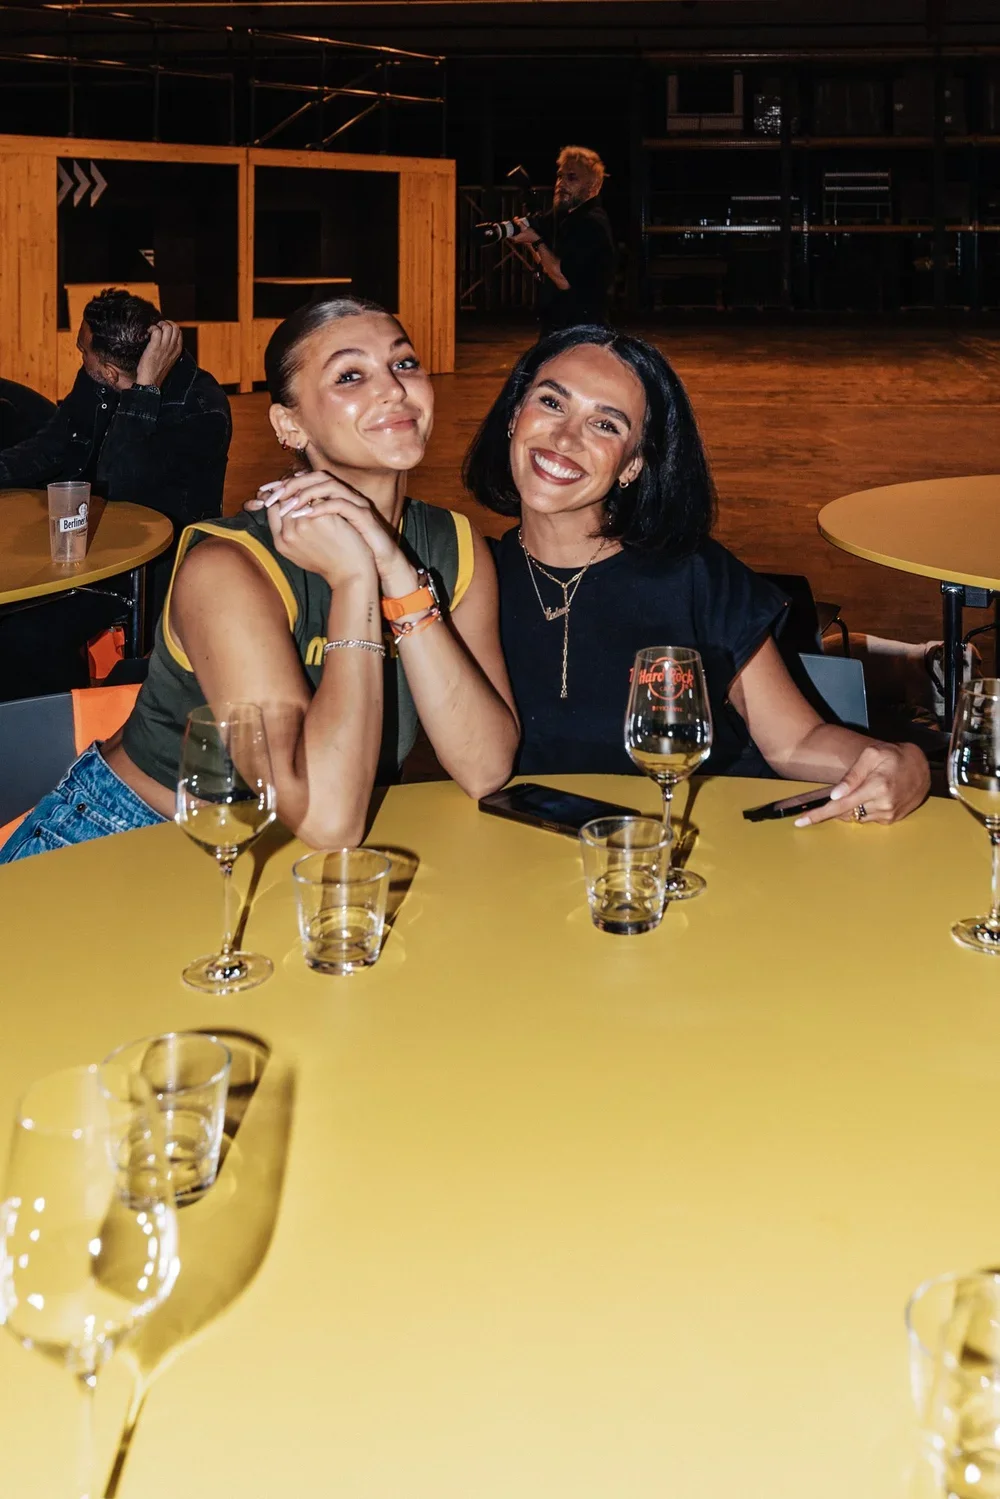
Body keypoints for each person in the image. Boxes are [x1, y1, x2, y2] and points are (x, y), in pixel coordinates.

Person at [0, 298, 518, 864]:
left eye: (404, 364)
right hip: (126, 842)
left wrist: (394, 570)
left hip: (289, 863)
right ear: (288, 424)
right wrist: (353, 582)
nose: (394, 391)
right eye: (350, 375)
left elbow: (485, 765)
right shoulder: (227, 569)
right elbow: (327, 814)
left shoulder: (453, 546)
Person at [463, 325, 930, 827]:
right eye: (552, 403)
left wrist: (902, 763)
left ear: (633, 465)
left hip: (702, 843)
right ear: (515, 416)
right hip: (531, 858)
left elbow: (794, 741)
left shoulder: (692, 574)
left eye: (606, 425)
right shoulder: (468, 575)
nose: (565, 436)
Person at [0, 288, 231, 699]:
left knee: (24, 635)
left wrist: (143, 393)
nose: (79, 356)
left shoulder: (200, 408)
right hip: (74, 549)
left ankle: (53, 733)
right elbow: (51, 445)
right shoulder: (97, 382)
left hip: (143, 573)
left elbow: (123, 485)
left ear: (109, 370)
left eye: (82, 350)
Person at [512, 147, 615, 334]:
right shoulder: (567, 218)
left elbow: (563, 277)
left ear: (593, 187)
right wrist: (528, 241)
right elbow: (549, 266)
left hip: (581, 332)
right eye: (560, 176)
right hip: (561, 327)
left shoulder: (592, 223)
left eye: (572, 177)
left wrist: (535, 240)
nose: (561, 183)